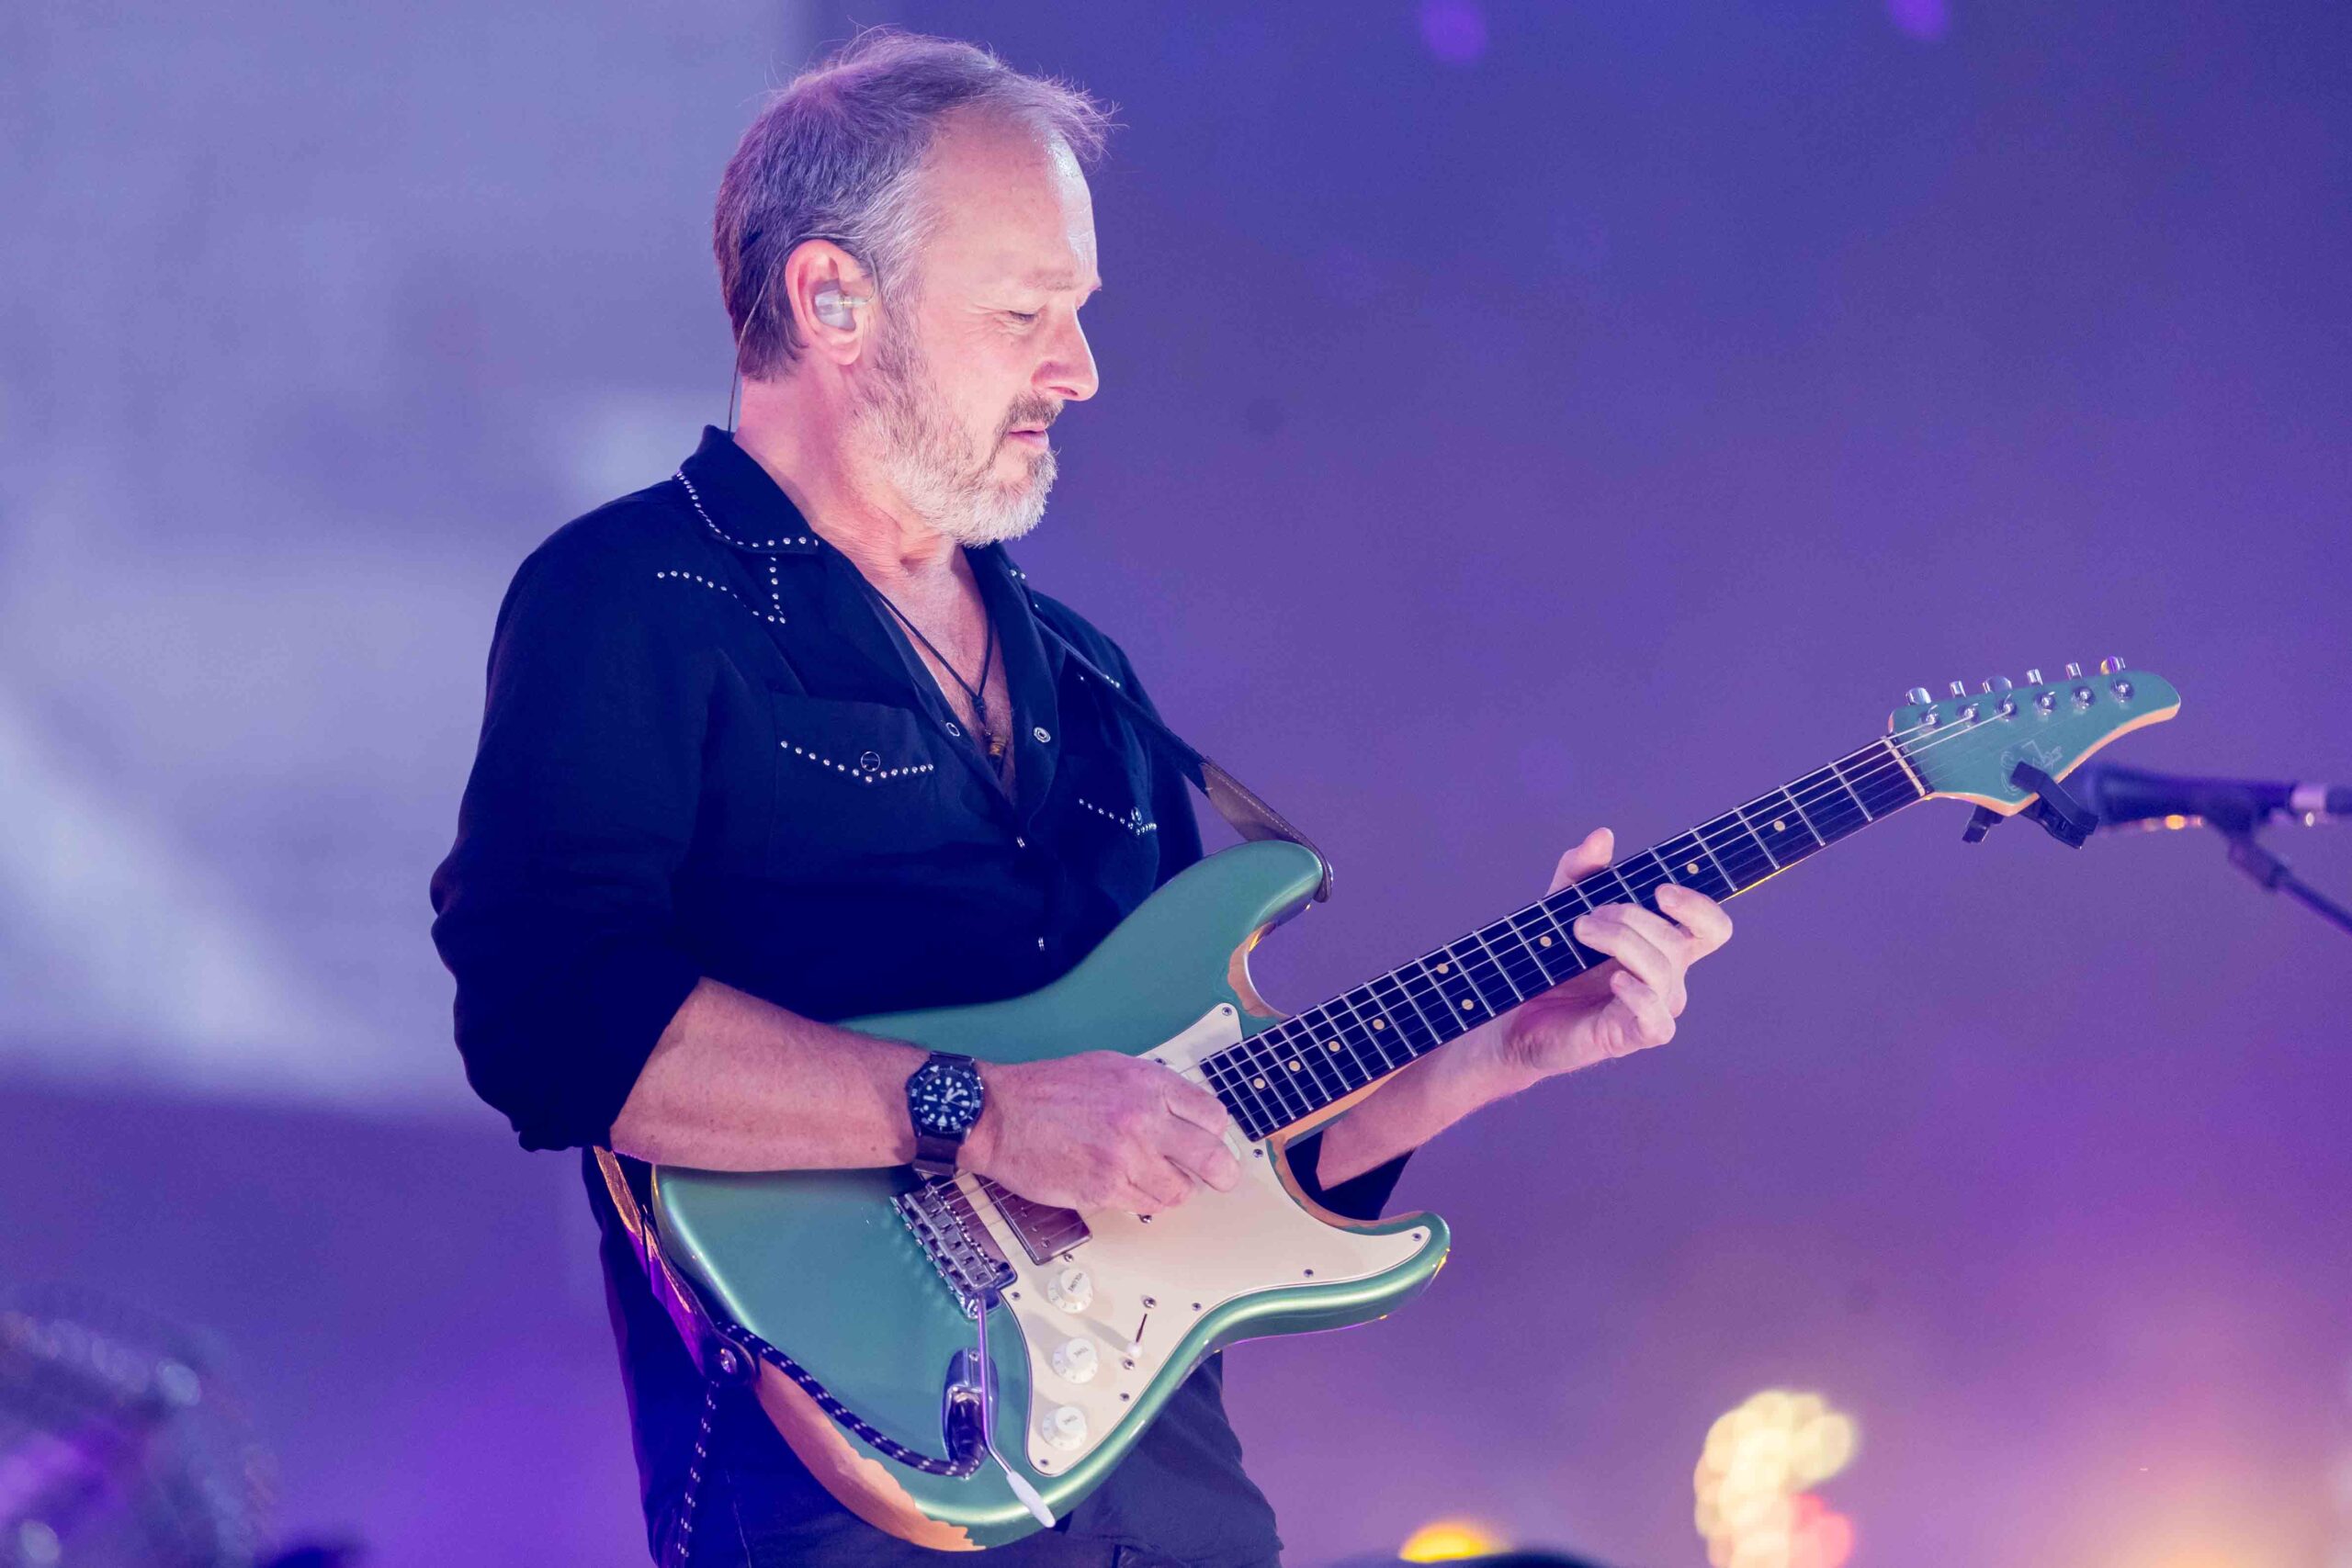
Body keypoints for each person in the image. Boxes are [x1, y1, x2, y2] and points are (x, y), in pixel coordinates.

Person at [429, 29, 1732, 1568]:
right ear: (833, 300)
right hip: (854, 1512)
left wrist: (1493, 1054)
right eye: (1023, 313)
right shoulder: (634, 596)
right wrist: (981, 1113)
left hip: (1168, 1516)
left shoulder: (1087, 676)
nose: (1079, 369)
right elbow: (550, 1018)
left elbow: (1192, 1150)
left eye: (1081, 313)